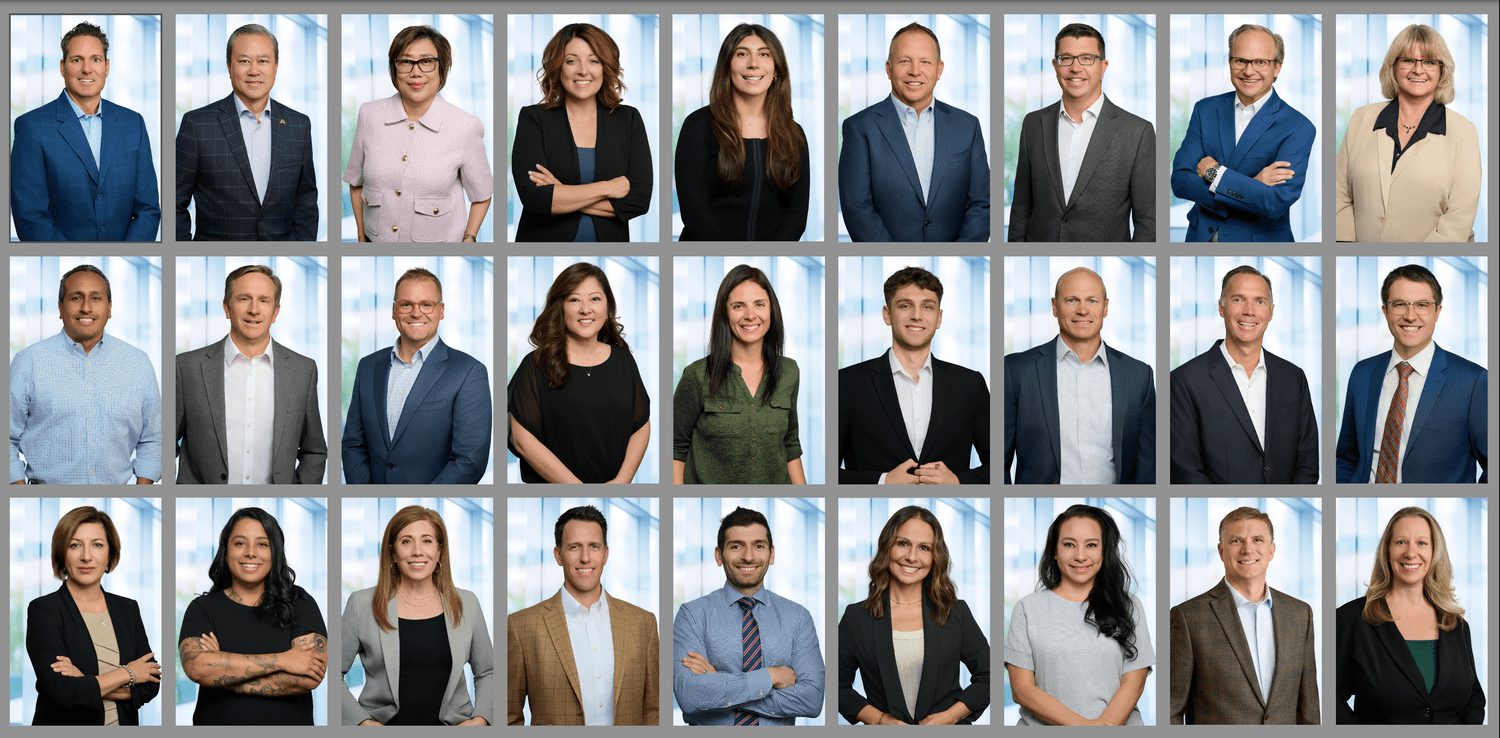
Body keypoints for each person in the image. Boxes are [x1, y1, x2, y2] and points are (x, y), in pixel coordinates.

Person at [10, 264, 161, 485]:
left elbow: (154, 438)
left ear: (110, 308)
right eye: (76, 298)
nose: (86, 308)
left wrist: (143, 488)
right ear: (60, 308)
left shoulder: (138, 363)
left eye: (96, 298)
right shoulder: (28, 362)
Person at [342, 506, 493, 725]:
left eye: (427, 541)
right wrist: (362, 723)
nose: (417, 551)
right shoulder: (361, 604)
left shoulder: (466, 603)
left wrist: (480, 721)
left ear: (440, 551)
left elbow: (488, 672)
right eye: (406, 541)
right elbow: (333, 673)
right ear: (393, 552)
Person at [507, 505, 659, 725]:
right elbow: (508, 716)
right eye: (574, 547)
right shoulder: (522, 627)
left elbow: (655, 711)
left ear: (605, 554)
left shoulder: (643, 624)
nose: (585, 557)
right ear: (558, 555)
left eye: (594, 546)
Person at [176, 265, 327, 484]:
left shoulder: (303, 370)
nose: (254, 309)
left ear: (275, 312)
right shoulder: (187, 368)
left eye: (264, 300)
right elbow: (164, 442)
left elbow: (314, 450)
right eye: (244, 299)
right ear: (227, 308)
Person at [1336, 264, 1487, 483]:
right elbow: (1347, 458)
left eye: (1422, 305)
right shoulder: (1362, 373)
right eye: (1399, 305)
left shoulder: (1473, 382)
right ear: (1385, 311)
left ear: (1437, 312)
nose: (1410, 316)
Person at [11, 22, 161, 241]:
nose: (87, 69)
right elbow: (30, 217)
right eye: (76, 60)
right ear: (63, 67)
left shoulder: (133, 124)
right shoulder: (32, 127)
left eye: (95, 59)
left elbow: (148, 209)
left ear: (106, 67)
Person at [838, 266, 989, 484]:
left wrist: (957, 482)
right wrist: (883, 482)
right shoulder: (846, 383)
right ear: (887, 314)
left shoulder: (970, 384)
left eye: (927, 307)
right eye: (905, 305)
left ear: (939, 318)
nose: (916, 316)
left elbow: (999, 468)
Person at [840, 22, 988, 242]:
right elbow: (857, 207)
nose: (915, 71)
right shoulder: (860, 128)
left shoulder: (968, 126)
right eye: (904, 61)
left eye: (925, 62)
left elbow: (982, 203)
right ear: (889, 69)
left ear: (939, 70)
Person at [839, 506, 989, 725]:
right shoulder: (856, 618)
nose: (911, 557)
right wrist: (880, 720)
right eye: (903, 544)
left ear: (935, 556)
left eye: (924, 548)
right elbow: (836, 685)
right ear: (887, 547)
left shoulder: (955, 613)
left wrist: (950, 717)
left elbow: (989, 676)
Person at [674, 506, 823, 725]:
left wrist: (717, 684)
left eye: (759, 546)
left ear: (771, 554)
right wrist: (770, 676)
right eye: (736, 546)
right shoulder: (693, 615)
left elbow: (812, 700)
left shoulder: (798, 617)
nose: (748, 557)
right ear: (719, 555)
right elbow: (690, 696)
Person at [179, 507, 328, 725]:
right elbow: (197, 668)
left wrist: (223, 673)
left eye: (262, 544)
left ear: (275, 552)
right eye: (240, 543)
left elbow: (307, 678)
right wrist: (284, 660)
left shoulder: (301, 603)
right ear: (226, 550)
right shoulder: (201, 608)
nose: (251, 552)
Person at [1170, 507, 1319, 724]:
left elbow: (1309, 711)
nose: (1248, 550)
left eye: (1257, 540)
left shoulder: (1300, 614)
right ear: (1221, 551)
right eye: (1236, 541)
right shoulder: (1188, 617)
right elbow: (1171, 710)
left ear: (1271, 550)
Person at [342, 267, 492, 484]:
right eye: (406, 304)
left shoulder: (468, 372)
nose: (416, 313)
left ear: (441, 311)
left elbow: (469, 461)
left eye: (426, 305)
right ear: (394, 311)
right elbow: (353, 444)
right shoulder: (368, 366)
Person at [1005, 267, 1155, 484]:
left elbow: (1148, 468)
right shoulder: (1016, 370)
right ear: (1055, 307)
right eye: (1071, 300)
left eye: (1092, 301)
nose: (1083, 310)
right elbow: (997, 463)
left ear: (1105, 307)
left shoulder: (1139, 376)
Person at [1336, 507, 1485, 723]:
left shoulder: (1457, 625)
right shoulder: (1350, 620)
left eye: (1422, 543)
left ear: (1434, 552)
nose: (1410, 553)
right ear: (1387, 551)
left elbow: (1474, 697)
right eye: (1401, 542)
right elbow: (1332, 698)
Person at [1006, 505, 1152, 725]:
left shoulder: (1129, 605)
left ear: (1105, 551)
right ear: (1054, 551)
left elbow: (1134, 682)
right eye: (1069, 545)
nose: (1080, 556)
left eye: (1091, 545)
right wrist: (1084, 727)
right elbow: (1022, 690)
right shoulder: (1027, 608)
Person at [344, 25, 493, 242]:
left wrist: (469, 238)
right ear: (394, 68)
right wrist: (361, 236)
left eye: (426, 62)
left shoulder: (465, 126)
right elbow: (356, 183)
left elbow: (482, 195)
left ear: (441, 68)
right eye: (405, 62)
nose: (416, 72)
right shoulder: (370, 115)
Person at [1170, 265, 1317, 483]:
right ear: (1221, 307)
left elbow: (1307, 462)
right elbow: (1186, 471)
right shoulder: (1184, 381)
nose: (1249, 310)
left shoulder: (1293, 378)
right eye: (1238, 299)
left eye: (1260, 301)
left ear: (1271, 311)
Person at [1008, 23, 1155, 242]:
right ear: (1055, 65)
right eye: (1066, 58)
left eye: (1086, 58)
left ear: (1103, 66)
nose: (1076, 68)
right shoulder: (1033, 124)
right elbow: (1021, 208)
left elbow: (1148, 223)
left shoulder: (1137, 132)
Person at [1169, 24, 1315, 242]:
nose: (1249, 71)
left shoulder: (1298, 127)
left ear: (1277, 68)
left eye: (1260, 62)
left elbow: (1275, 202)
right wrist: (1253, 183)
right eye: (1241, 61)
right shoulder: (1205, 110)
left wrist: (1215, 174)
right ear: (1230, 63)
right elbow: (1180, 181)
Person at [1336, 25, 1480, 242]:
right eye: (1408, 60)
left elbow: (1459, 218)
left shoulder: (1463, 131)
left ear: (1442, 70)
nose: (1418, 70)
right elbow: (1338, 194)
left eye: (1429, 62)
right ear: (1393, 66)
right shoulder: (1362, 118)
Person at [508, 263, 650, 483]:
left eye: (595, 299)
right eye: (574, 299)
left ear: (607, 306)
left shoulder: (623, 359)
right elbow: (522, 441)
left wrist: (621, 482)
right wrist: (577, 489)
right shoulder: (535, 364)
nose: (586, 309)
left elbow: (640, 425)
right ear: (560, 306)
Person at [176, 24, 318, 241]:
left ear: (276, 66)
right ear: (229, 67)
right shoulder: (197, 125)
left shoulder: (299, 125)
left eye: (263, 61)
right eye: (244, 61)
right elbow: (174, 202)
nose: (254, 70)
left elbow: (306, 201)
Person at [512, 23, 652, 241]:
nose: (583, 70)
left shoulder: (628, 119)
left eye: (594, 60)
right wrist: (609, 187)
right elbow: (534, 199)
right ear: (558, 67)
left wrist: (561, 192)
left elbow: (639, 201)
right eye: (571, 61)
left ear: (605, 67)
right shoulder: (534, 118)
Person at [27, 506, 161, 725]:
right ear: (62, 553)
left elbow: (151, 682)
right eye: (75, 545)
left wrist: (83, 681)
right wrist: (129, 673)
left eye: (97, 545)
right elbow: (63, 692)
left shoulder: (128, 609)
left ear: (110, 553)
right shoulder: (44, 610)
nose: (86, 556)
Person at [675, 23, 809, 241]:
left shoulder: (794, 134)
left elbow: (797, 212)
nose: (753, 64)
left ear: (776, 70)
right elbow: (694, 212)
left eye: (764, 54)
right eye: (742, 54)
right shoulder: (698, 126)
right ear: (727, 66)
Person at [673, 265, 804, 484]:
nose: (750, 315)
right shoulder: (697, 375)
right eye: (738, 306)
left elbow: (790, 443)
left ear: (771, 310)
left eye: (759, 304)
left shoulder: (788, 371)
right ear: (725, 312)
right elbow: (675, 446)